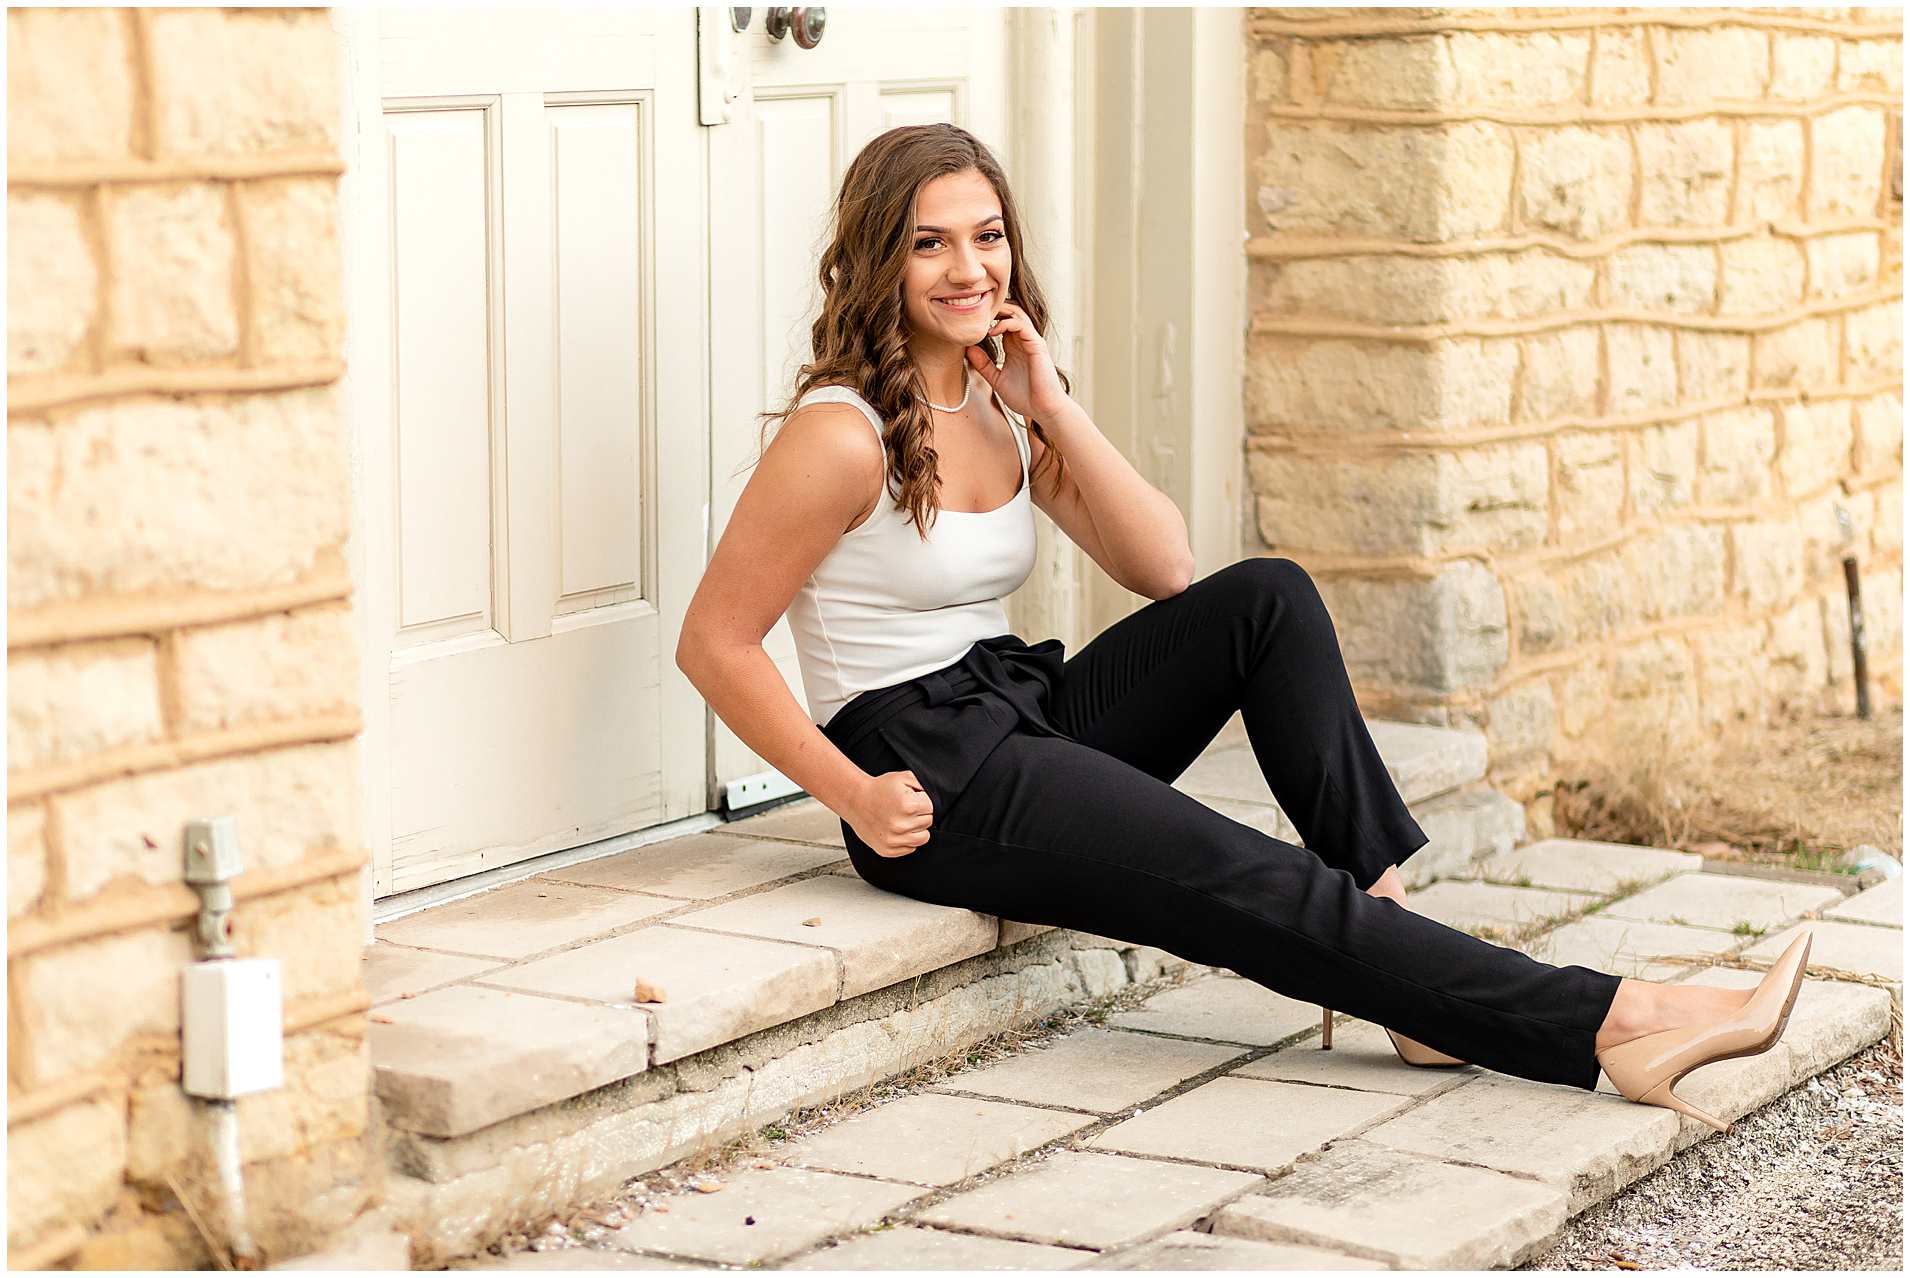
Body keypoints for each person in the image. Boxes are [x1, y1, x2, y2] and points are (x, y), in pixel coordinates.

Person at [675, 122, 1812, 1133]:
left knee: (1265, 597)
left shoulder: (996, 399)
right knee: (1238, 869)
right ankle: (1620, 1018)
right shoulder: (841, 436)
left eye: (986, 236)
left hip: (1012, 710)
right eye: (930, 244)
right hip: (926, 776)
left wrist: (1050, 403)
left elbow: (1163, 565)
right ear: (879, 258)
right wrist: (851, 797)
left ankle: (1390, 937)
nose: (969, 268)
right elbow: (715, 643)